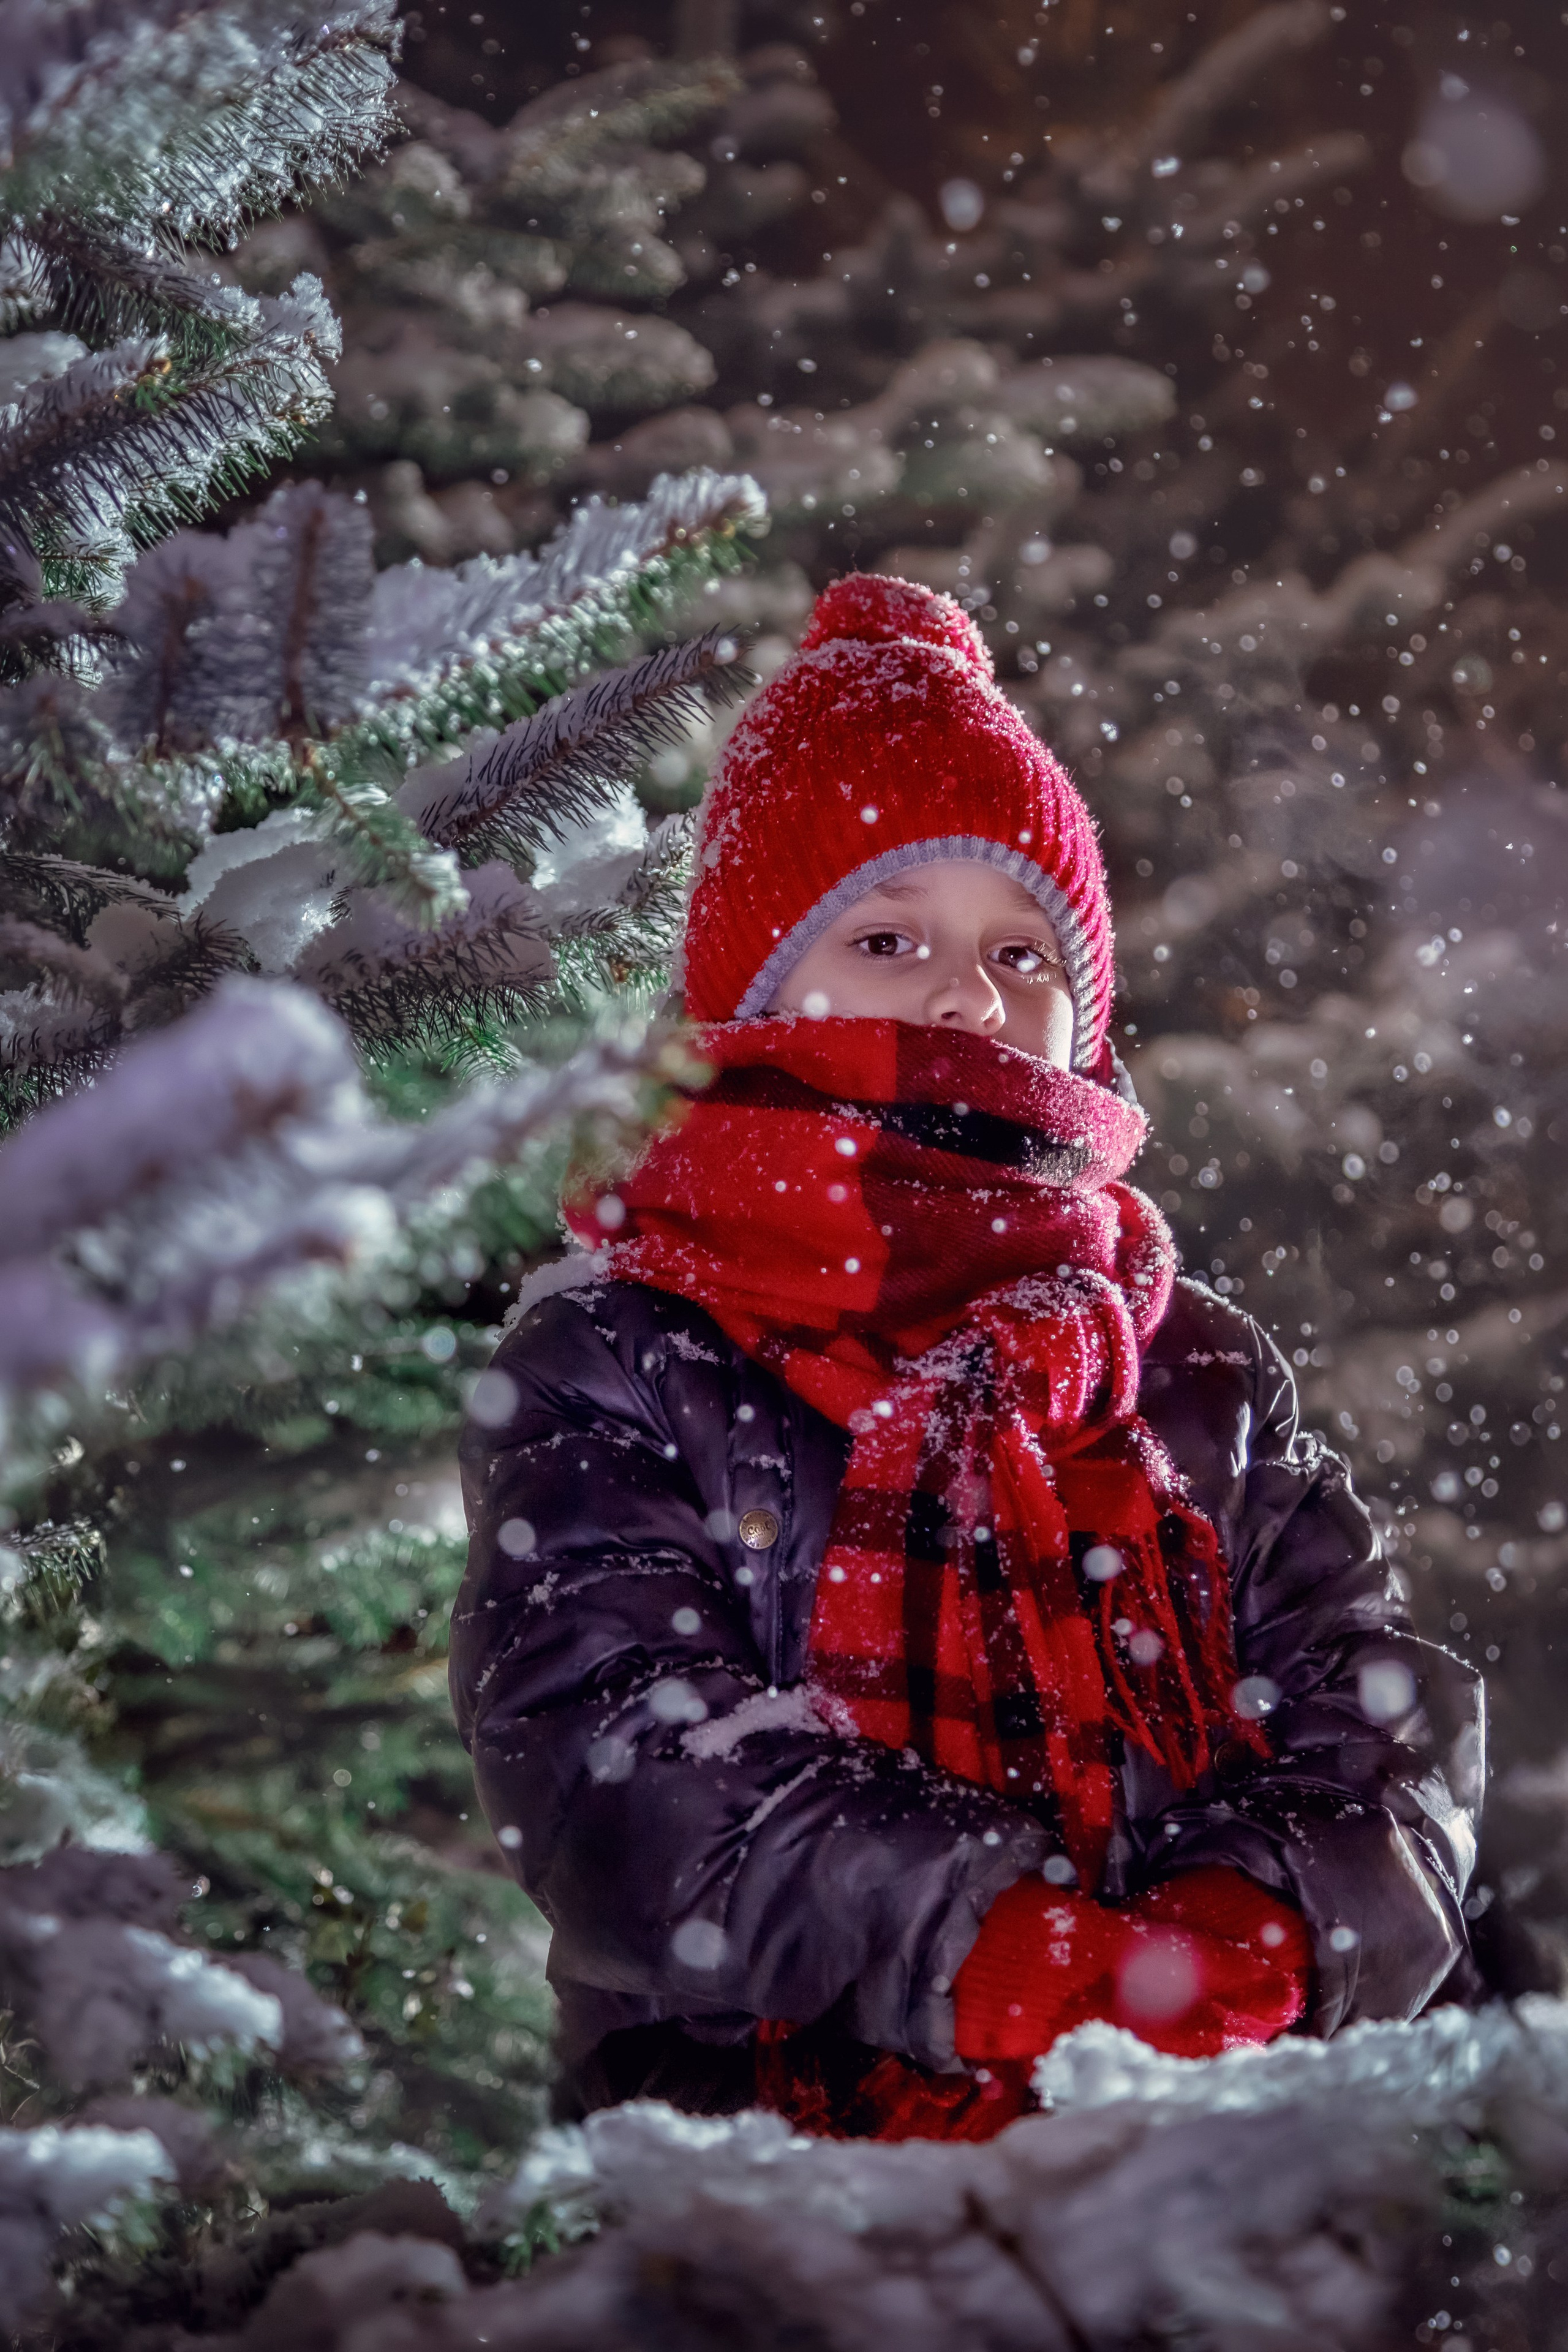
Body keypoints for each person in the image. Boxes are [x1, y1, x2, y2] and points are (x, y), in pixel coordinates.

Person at [451, 573, 1481, 2141]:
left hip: (1183, 2121)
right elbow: (612, 1752)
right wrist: (997, 1948)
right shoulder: (626, 1345)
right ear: (752, 990)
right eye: (883, 936)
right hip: (752, 2138)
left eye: (1024, 955)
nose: (966, 996)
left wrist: (1261, 1931)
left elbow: (1370, 1699)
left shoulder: (1179, 1362)